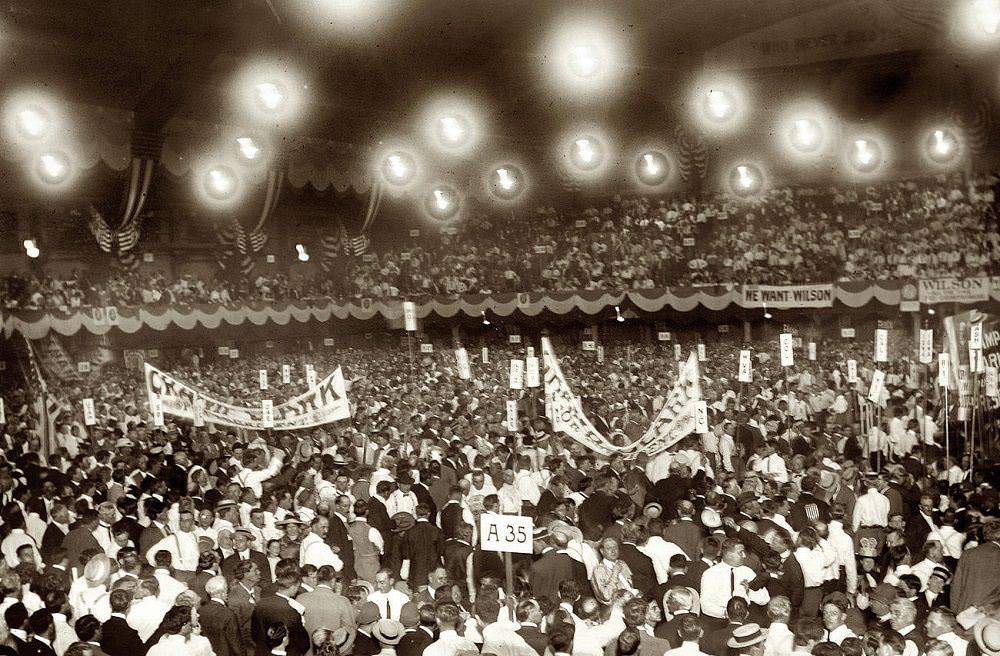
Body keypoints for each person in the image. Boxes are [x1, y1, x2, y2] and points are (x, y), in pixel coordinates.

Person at [249, 565, 310, 656]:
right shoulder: (291, 612)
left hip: (262, 652)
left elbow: (254, 632)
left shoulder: (261, 603)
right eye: (297, 587)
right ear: (293, 587)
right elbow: (304, 644)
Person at [199, 576, 241, 656]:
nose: (227, 594)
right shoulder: (228, 614)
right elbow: (235, 643)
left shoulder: (200, 611)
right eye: (226, 591)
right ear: (222, 593)